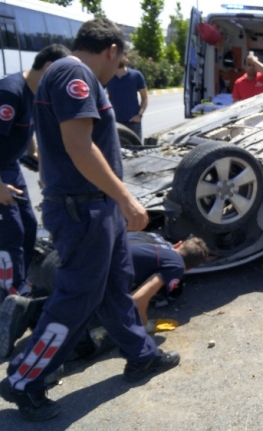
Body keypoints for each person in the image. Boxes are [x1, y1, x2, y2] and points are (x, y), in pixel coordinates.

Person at [0, 19, 179, 422]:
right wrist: (128, 199)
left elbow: (62, 149)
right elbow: (80, 147)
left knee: (115, 286)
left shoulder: (64, 72)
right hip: (86, 210)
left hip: (94, 208)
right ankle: (25, 378)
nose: (117, 70)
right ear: (112, 50)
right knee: (76, 298)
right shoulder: (74, 73)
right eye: (120, 62)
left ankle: (141, 355)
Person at [0, 232, 210, 358]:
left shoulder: (150, 239)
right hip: (77, 277)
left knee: (82, 304)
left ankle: (27, 309)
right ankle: (35, 325)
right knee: (104, 332)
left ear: (178, 243)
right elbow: (138, 301)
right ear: (188, 269)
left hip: (56, 261)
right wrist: (144, 327)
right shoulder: (176, 266)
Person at [0, 45, 71, 304]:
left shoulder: (34, 92)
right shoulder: (9, 92)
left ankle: (20, 280)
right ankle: (9, 294)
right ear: (50, 68)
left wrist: (39, 159)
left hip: (10, 167)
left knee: (29, 226)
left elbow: (25, 131)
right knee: (10, 232)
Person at [105, 58, 148, 140]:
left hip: (133, 122)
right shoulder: (108, 76)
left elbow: (145, 98)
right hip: (115, 122)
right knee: (117, 150)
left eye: (122, 55)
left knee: (136, 149)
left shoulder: (136, 75)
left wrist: (139, 115)